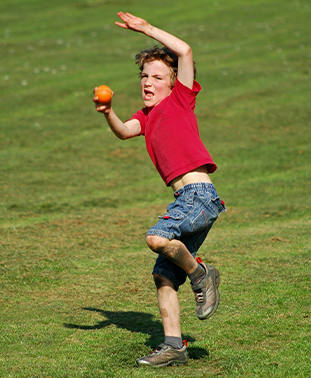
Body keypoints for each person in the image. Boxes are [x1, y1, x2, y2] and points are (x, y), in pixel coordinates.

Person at [93, 12, 226, 368]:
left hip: (200, 196)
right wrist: (108, 112)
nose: (148, 82)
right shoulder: (148, 116)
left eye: (157, 77)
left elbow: (184, 51)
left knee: (156, 237)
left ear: (173, 83)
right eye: (144, 76)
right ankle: (174, 346)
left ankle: (202, 275)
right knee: (164, 274)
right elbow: (124, 131)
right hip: (186, 199)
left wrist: (147, 29)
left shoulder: (180, 100)